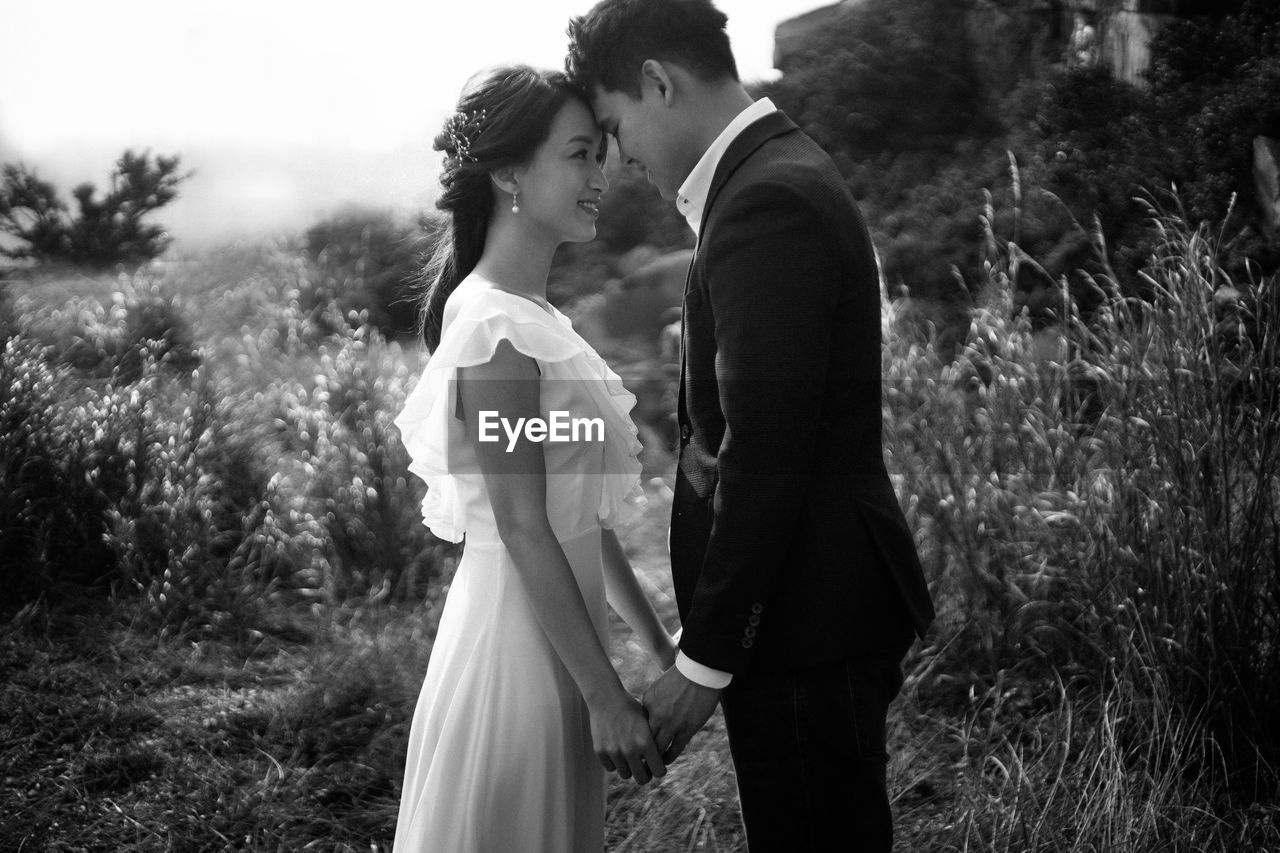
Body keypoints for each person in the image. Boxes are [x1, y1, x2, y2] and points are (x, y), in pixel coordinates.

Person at [566, 2, 937, 850]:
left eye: (618, 127)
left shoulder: (767, 202)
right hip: (803, 608)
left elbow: (768, 454)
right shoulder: (771, 175)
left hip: (810, 615)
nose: (620, 159)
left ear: (659, 82)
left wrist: (702, 663)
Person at [391, 65, 676, 853]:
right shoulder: (492, 327)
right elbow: (521, 525)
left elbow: (578, 516)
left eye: (601, 155)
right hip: (514, 657)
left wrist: (659, 650)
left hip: (563, 645)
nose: (601, 175)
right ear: (511, 172)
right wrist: (604, 695)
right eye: (580, 154)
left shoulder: (536, 318)